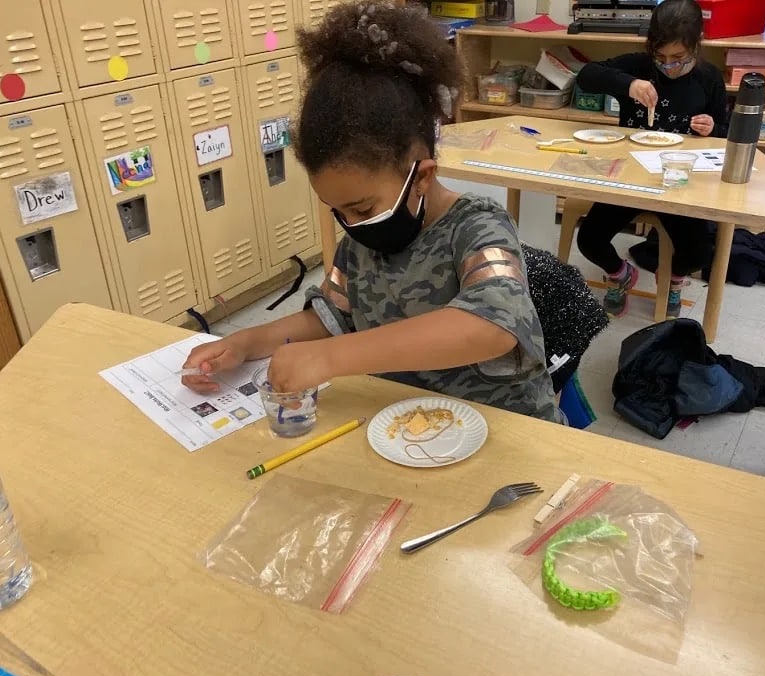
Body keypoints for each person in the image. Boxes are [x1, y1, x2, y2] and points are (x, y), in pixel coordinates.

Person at [181, 1, 562, 424]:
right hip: (413, 429)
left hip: (505, 426)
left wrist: (331, 357)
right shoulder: (359, 246)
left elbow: (491, 326)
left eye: (361, 207)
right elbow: (329, 318)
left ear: (422, 177)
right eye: (338, 210)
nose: (352, 223)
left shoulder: (476, 228)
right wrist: (244, 344)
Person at [575, 0, 728, 319]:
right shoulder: (638, 67)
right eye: (661, 58)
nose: (669, 66)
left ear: (696, 46)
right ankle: (620, 275)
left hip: (679, 183)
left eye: (678, 59)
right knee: (589, 239)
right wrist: (628, 84)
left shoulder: (708, 78)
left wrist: (712, 127)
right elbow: (586, 76)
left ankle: (672, 277)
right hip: (630, 178)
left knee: (700, 252)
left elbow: (724, 130)